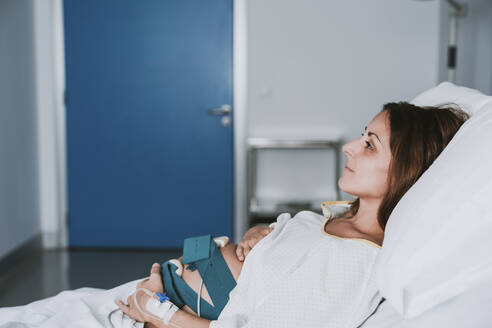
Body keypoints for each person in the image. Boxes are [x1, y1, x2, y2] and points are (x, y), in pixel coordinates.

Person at [118, 102, 469, 328]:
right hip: (167, 291)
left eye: (369, 144)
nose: (349, 146)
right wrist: (261, 230)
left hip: (176, 310)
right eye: (362, 135)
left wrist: (161, 313)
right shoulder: (336, 219)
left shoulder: (356, 263)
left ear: (405, 171)